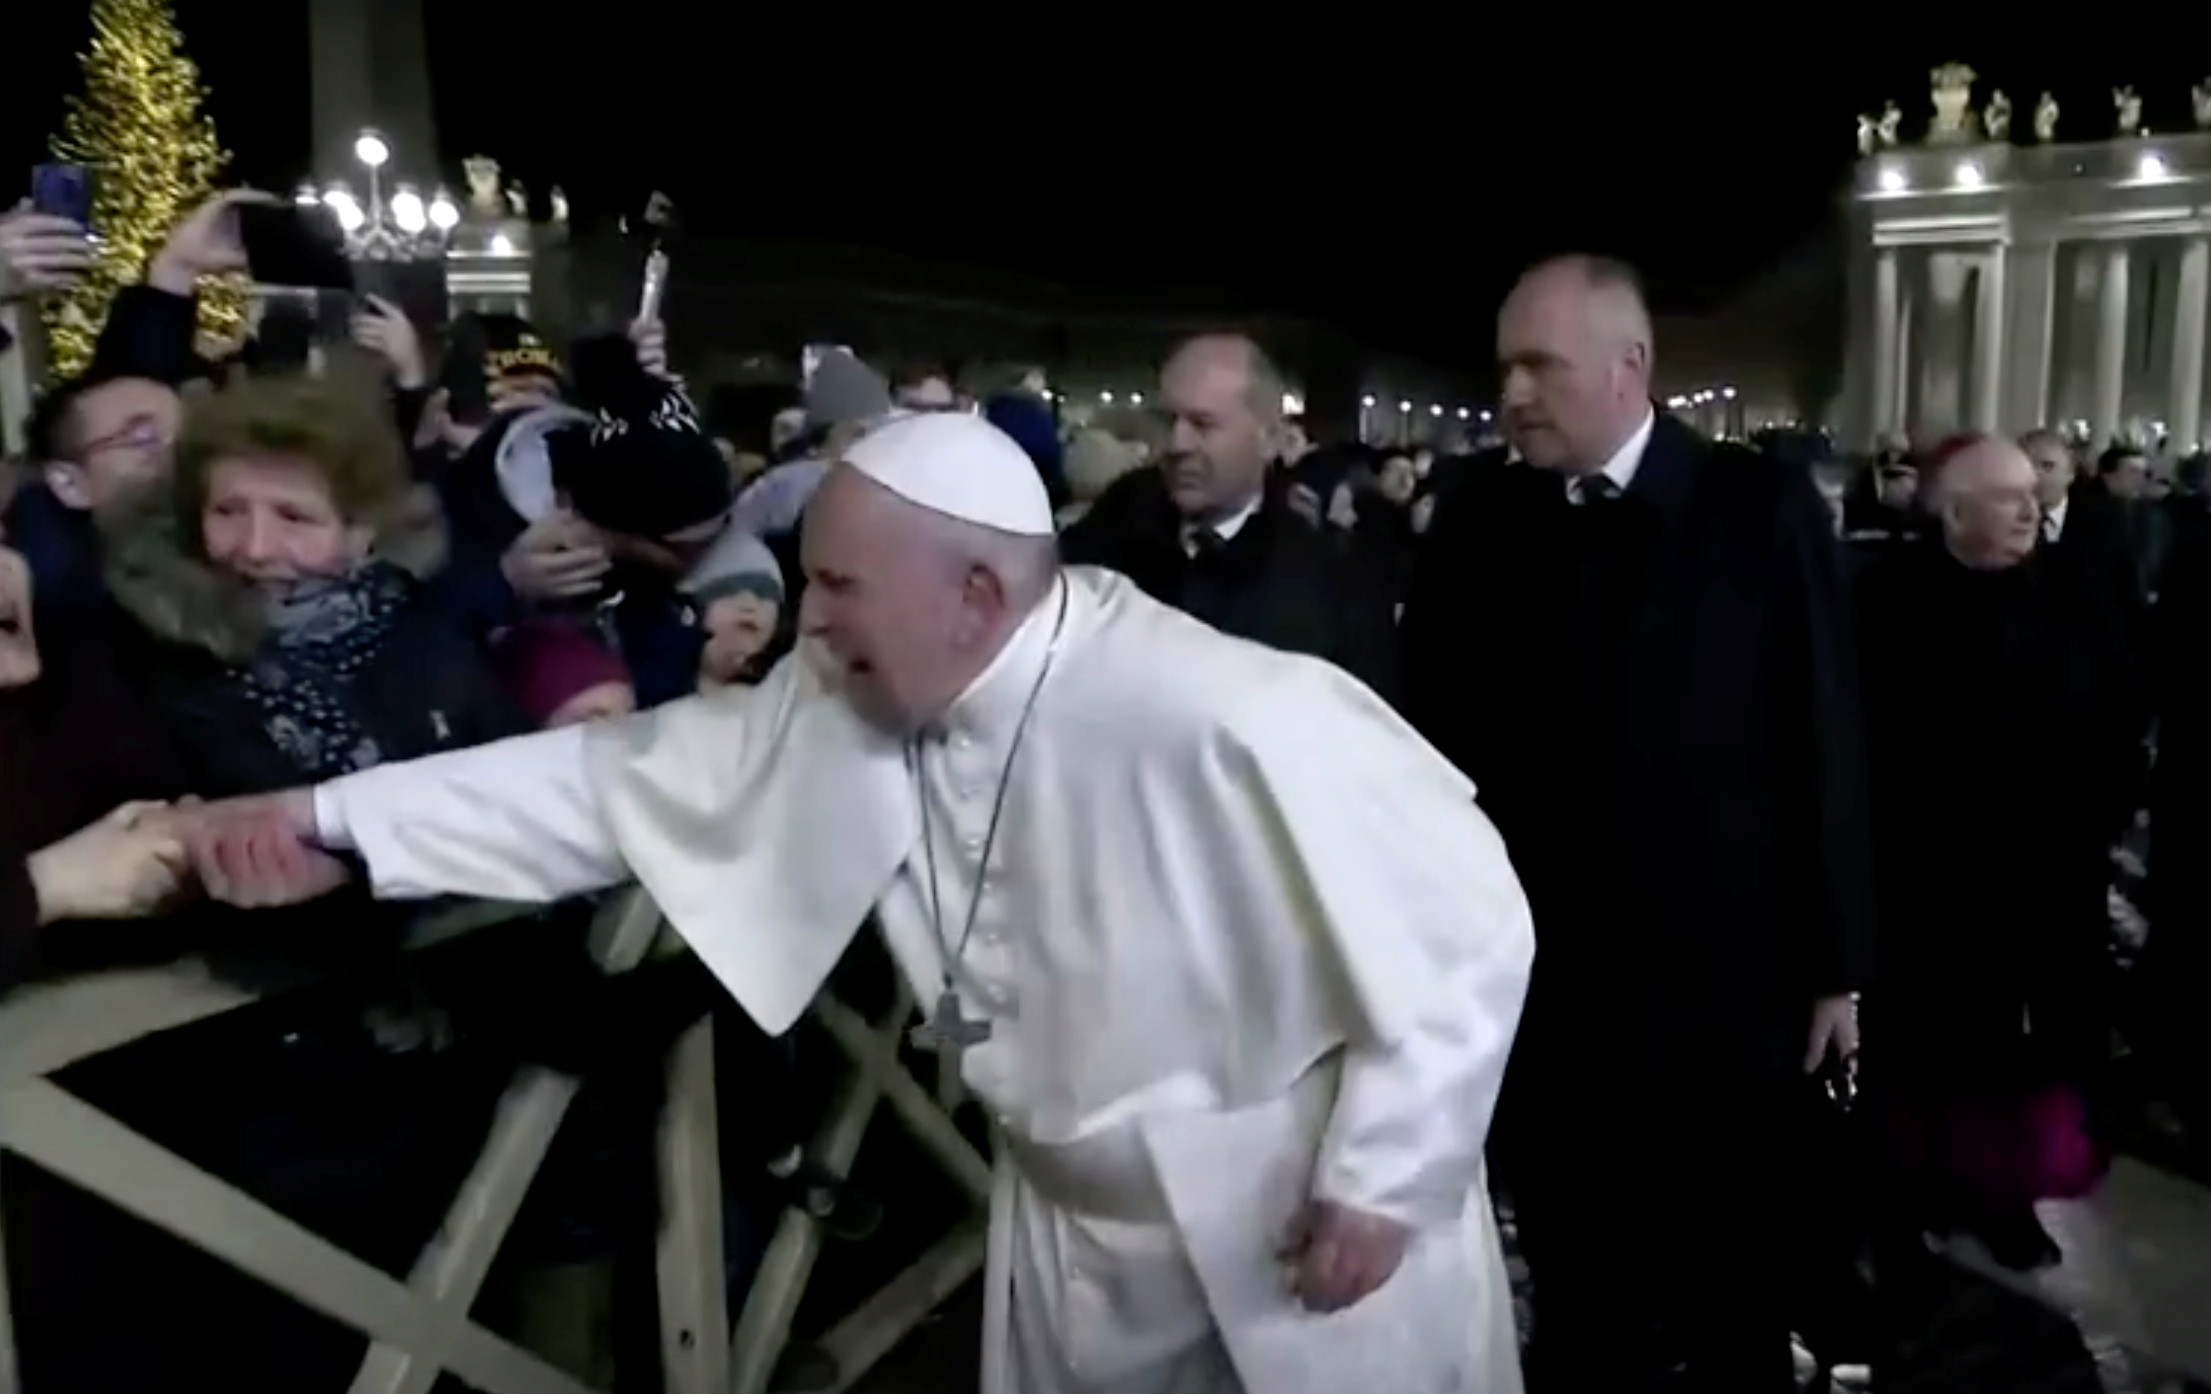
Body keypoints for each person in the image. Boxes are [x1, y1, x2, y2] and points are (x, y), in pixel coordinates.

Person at [188, 410, 1534, 1393]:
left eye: (837, 584)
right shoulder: (855, 690)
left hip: (1291, 1219)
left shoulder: (1228, 707)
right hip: (1068, 1224)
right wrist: (331, 820)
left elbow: (1466, 919)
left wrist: (1383, 1175)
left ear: (973, 592)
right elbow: (608, 781)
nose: (807, 620)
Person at [1400, 254, 1876, 1392]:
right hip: (1543, 990)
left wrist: (1836, 967)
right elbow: (1428, 746)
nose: (1512, 391)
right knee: (1579, 1282)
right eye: (1504, 363)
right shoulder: (1477, 520)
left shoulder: (1755, 507)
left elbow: (1824, 729)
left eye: (1540, 365)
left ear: (1631, 367)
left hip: (1726, 990)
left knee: (1729, 1290)